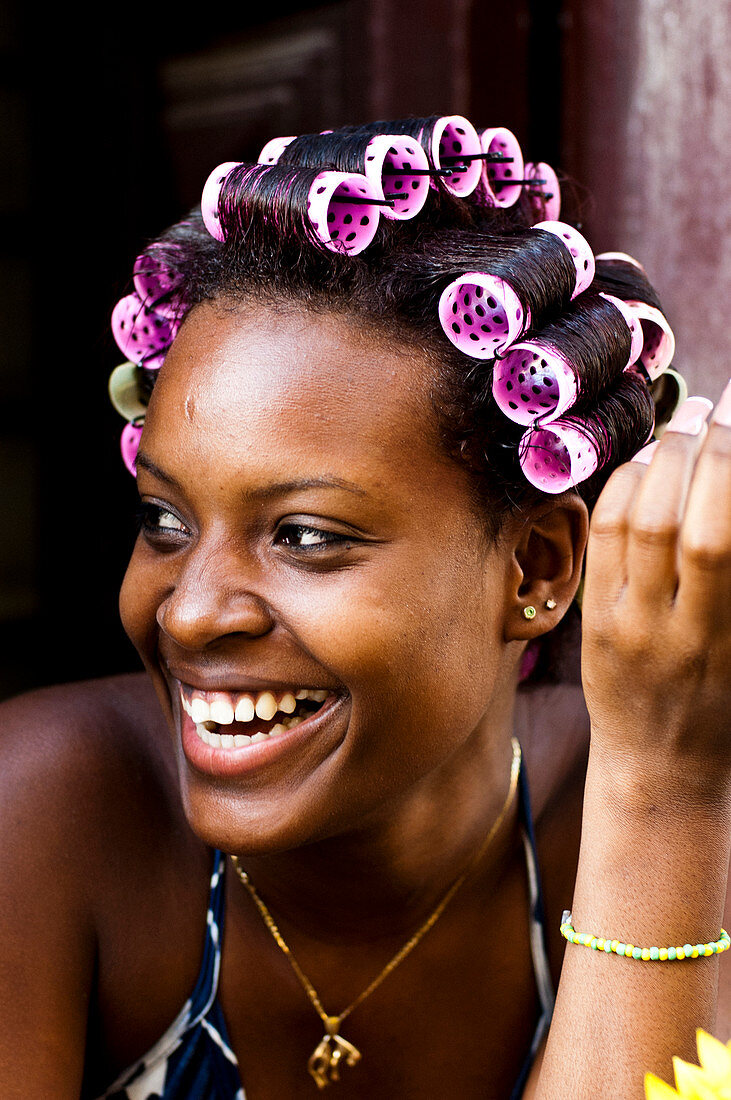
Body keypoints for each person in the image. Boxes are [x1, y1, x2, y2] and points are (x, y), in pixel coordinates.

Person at [0, 115, 728, 1100]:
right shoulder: (46, 811)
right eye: (165, 519)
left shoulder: (638, 806)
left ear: (535, 570)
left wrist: (661, 796)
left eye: (304, 535)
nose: (190, 613)